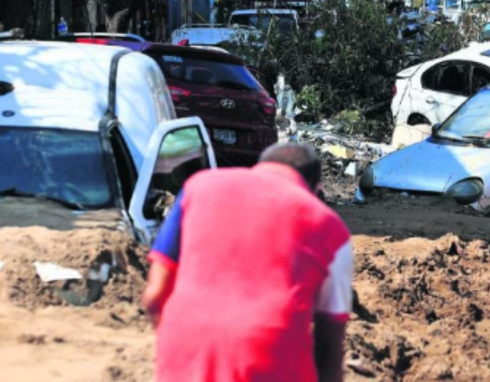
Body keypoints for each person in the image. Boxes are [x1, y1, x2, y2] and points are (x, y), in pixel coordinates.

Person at [142, 143, 353, 382]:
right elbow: (329, 347)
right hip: (271, 357)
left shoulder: (198, 187)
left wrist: (182, 341)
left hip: (183, 346)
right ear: (315, 189)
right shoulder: (331, 229)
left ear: (259, 167)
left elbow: (155, 294)